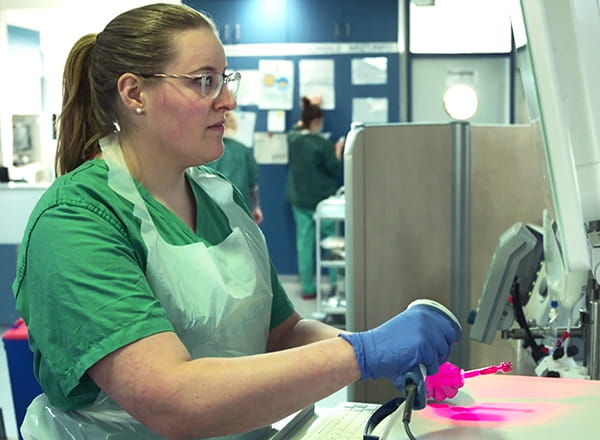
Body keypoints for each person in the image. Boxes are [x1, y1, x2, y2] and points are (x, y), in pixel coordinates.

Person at [12, 4, 462, 440]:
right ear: (134, 94)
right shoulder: (75, 221)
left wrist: (380, 349)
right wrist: (361, 354)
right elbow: (173, 401)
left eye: (225, 80)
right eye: (204, 82)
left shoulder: (220, 199)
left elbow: (282, 332)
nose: (227, 101)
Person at [285, 97, 344, 299]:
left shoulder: (293, 139)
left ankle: (308, 289)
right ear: (317, 122)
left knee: (304, 245)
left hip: (300, 201)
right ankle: (335, 285)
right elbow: (333, 168)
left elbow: (298, 126)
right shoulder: (323, 144)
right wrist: (338, 151)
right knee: (333, 244)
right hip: (322, 203)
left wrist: (307, 108)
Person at [207, 111, 263, 224]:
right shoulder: (243, 151)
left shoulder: (206, 150)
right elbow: (253, 185)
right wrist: (256, 206)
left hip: (211, 207)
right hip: (238, 207)